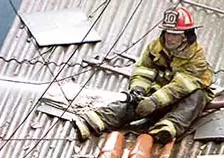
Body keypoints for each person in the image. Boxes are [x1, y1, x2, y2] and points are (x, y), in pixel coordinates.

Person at [75, 5, 215, 144]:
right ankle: (94, 121)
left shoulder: (196, 57)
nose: (169, 38)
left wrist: (154, 101)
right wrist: (138, 90)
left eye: (174, 34)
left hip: (179, 99)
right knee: (132, 104)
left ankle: (167, 128)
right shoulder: (155, 47)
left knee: (197, 96)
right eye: (167, 33)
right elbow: (143, 70)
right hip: (157, 95)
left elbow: (181, 86)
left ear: (185, 36)